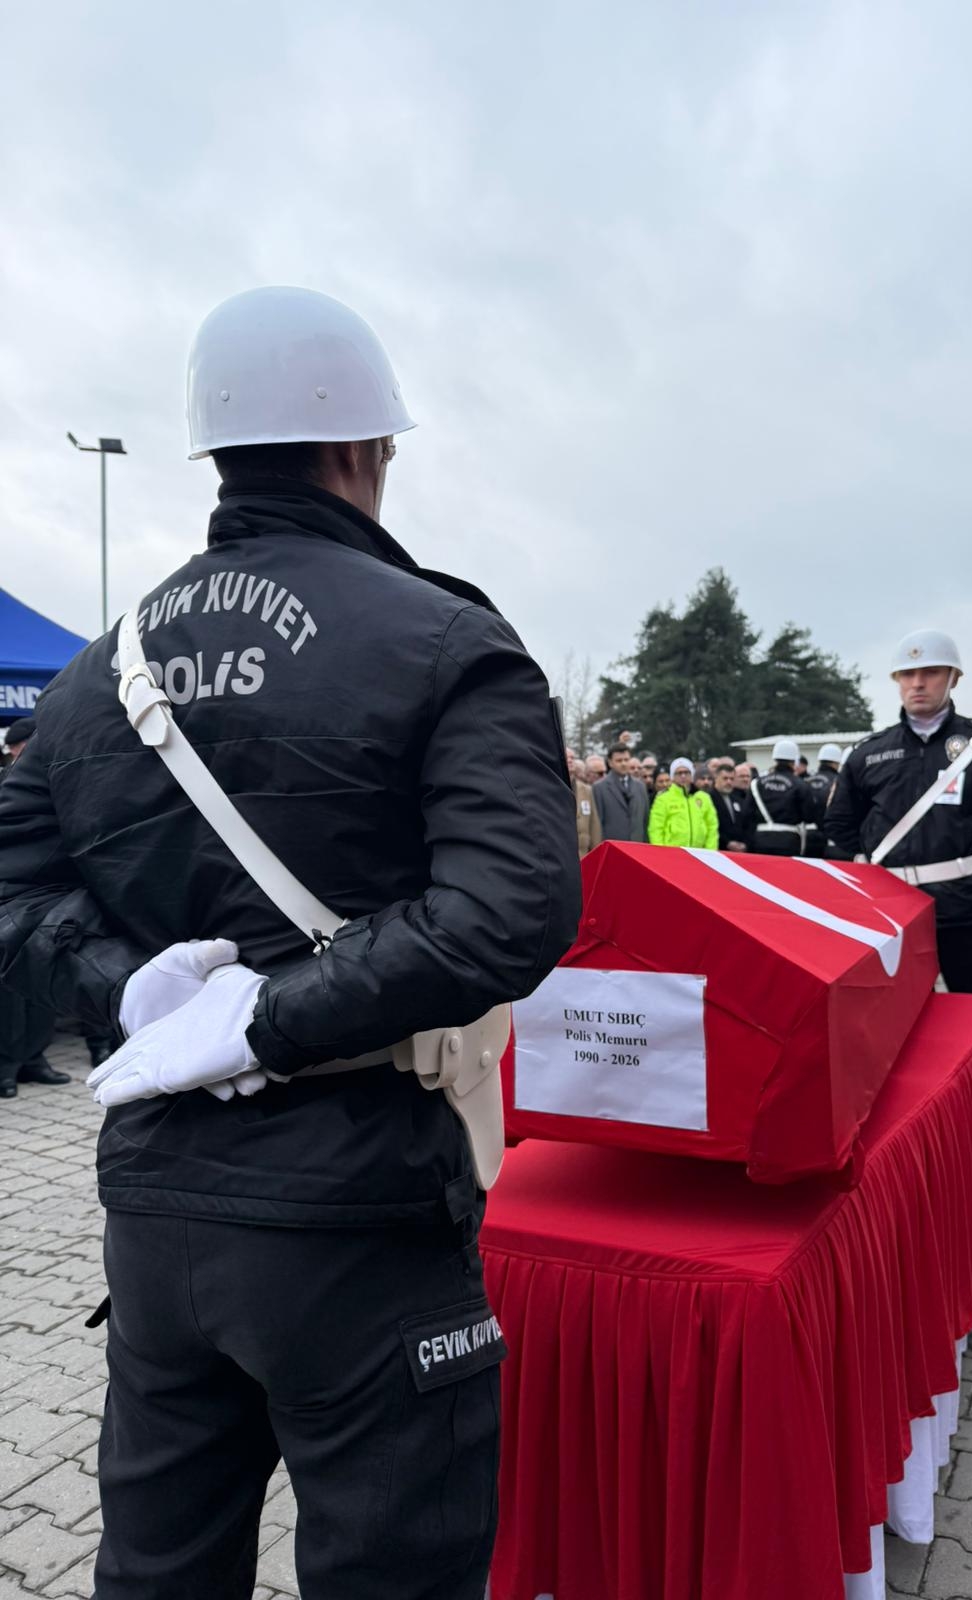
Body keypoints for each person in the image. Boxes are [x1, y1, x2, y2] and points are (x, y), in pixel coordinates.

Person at [0, 286, 581, 1600]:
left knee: (156, 1572)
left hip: (158, 1209)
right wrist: (266, 1017)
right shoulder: (445, 637)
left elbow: (13, 898)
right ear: (365, 447)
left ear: (213, 449)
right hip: (363, 1202)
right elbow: (514, 908)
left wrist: (133, 994)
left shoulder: (94, 678)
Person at [825, 629, 972, 995]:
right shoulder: (867, 753)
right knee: (895, 1018)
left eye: (931, 672)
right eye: (907, 674)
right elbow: (840, 824)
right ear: (897, 680)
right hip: (890, 911)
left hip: (971, 909)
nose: (918, 683)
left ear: (954, 678)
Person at [0, 719, 72, 1097]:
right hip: (8, 891)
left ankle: (34, 1057)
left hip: (44, 889)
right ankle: (6, 1065)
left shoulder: (51, 775)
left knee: (41, 981)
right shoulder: (8, 779)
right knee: (9, 992)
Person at [747, 739, 820, 857]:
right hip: (789, 840)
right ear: (794, 761)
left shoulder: (756, 783)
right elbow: (809, 816)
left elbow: (747, 814)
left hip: (761, 840)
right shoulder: (801, 784)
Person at [647, 758, 718, 848]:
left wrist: (710, 851)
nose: (683, 776)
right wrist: (660, 851)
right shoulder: (663, 799)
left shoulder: (704, 798)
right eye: (679, 773)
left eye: (686, 772)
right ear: (672, 777)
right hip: (672, 851)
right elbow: (655, 828)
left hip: (699, 852)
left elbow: (712, 827)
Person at [592, 743, 649, 843]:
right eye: (619, 760)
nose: (623, 764)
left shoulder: (640, 787)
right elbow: (597, 823)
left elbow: (645, 820)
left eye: (626, 760)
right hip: (613, 846)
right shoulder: (599, 788)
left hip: (637, 846)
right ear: (610, 763)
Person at [801, 742, 843, 858]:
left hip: (805, 835)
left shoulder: (805, 781)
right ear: (836, 763)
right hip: (827, 837)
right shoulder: (838, 781)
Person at [565, 747, 603, 858]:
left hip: (584, 854)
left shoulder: (586, 790)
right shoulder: (553, 788)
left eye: (572, 758)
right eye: (567, 758)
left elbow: (594, 822)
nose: (570, 760)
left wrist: (596, 852)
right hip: (564, 852)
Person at [712, 763, 753, 851]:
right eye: (725, 778)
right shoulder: (709, 798)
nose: (729, 782)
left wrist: (745, 843)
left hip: (738, 850)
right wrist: (727, 842)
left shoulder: (737, 799)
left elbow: (745, 824)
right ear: (716, 778)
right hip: (719, 849)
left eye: (731, 779)